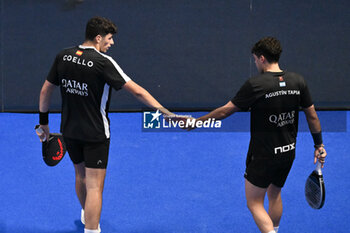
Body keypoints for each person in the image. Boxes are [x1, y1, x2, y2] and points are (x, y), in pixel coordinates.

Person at [37, 16, 173, 233]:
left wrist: (43, 123)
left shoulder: (63, 56)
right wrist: (165, 112)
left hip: (69, 130)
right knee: (94, 186)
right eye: (109, 38)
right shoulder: (104, 63)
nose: (112, 43)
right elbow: (137, 91)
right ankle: (92, 229)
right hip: (96, 134)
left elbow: (45, 90)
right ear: (98, 38)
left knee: (80, 176)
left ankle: (87, 214)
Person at [191, 37, 327, 233]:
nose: (255, 63)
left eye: (255, 59)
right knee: (275, 194)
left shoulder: (256, 84)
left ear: (262, 58)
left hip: (263, 155)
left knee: (254, 203)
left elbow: (225, 111)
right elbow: (312, 116)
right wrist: (319, 145)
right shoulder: (298, 81)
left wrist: (197, 122)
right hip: (288, 152)